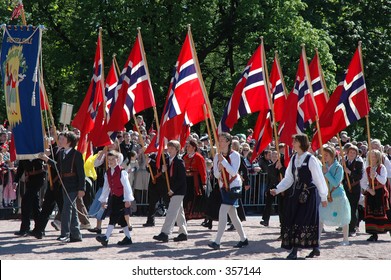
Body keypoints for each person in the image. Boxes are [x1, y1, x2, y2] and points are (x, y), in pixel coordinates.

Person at [271, 134, 328, 259]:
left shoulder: (311, 159)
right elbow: (289, 178)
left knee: (303, 221)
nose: (292, 143)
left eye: (295, 141)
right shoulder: (293, 158)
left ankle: (295, 251)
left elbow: (319, 179)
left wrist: (324, 197)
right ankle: (315, 247)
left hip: (309, 194)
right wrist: (277, 189)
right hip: (296, 194)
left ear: (301, 143)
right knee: (295, 220)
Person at [40, 131, 85, 243]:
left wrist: (81, 188)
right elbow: (58, 166)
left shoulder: (77, 154)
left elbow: (81, 173)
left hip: (74, 185)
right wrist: (47, 160)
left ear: (69, 142)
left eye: (62, 139)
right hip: (64, 184)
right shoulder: (61, 153)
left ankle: (65, 234)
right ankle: (76, 235)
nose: (60, 141)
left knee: (66, 209)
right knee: (72, 210)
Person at [208, 132, 248, 250]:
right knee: (233, 215)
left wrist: (224, 163)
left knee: (223, 211)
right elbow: (215, 174)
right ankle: (243, 239)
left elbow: (233, 172)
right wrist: (219, 169)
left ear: (228, 142)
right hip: (223, 186)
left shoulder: (235, 155)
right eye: (219, 140)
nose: (219, 142)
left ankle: (217, 241)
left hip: (234, 186)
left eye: (222, 140)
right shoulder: (216, 156)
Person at [95, 151, 134, 247]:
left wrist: (127, 199)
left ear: (118, 160)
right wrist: (103, 200)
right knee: (121, 219)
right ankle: (128, 238)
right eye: (109, 160)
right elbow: (106, 187)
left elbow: (127, 186)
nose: (111, 161)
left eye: (113, 159)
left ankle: (106, 237)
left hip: (122, 197)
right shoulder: (107, 172)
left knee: (113, 216)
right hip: (114, 197)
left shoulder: (122, 172)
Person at [153, 140, 188, 242]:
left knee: (171, 212)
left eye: (172, 148)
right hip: (172, 190)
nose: (170, 150)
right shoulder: (167, 161)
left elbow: (181, 179)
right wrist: (163, 171)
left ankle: (165, 233)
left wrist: (173, 190)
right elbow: (167, 177)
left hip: (178, 190)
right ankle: (183, 233)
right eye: (169, 148)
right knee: (179, 213)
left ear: (177, 150)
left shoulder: (179, 162)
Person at [319, 145, 351, 246]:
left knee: (344, 217)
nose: (324, 156)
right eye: (323, 154)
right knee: (320, 216)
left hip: (338, 195)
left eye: (326, 154)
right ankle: (317, 240)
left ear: (332, 155)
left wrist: (326, 173)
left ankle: (345, 239)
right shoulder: (322, 166)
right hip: (325, 196)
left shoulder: (339, 167)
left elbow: (336, 183)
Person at [360, 149, 391, 241]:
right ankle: (374, 234)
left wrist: (376, 175)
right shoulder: (367, 169)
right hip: (371, 193)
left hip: (381, 193)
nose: (372, 158)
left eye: (374, 156)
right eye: (371, 156)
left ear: (378, 158)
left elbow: (383, 181)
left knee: (386, 212)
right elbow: (363, 182)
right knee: (371, 213)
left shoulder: (382, 168)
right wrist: (369, 189)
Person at [13, 158, 46, 237]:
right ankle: (39, 229)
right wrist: (16, 181)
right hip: (29, 179)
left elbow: (42, 161)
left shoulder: (37, 150)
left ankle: (25, 228)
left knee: (25, 201)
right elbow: (21, 168)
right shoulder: (24, 153)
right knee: (35, 205)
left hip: (38, 178)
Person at [142, 152, 169, 227]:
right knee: (152, 203)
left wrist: (151, 161)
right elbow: (149, 169)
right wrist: (147, 165)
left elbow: (160, 166)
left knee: (167, 202)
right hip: (153, 182)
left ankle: (174, 220)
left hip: (163, 182)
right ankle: (150, 221)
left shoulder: (165, 156)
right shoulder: (152, 156)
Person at [342, 145, 363, 236]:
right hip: (346, 187)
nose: (352, 154)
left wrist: (350, 172)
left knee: (353, 208)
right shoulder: (344, 162)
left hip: (354, 188)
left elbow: (359, 176)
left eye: (354, 153)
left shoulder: (358, 163)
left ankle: (352, 228)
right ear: (347, 153)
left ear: (356, 154)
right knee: (346, 207)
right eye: (350, 152)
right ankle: (346, 227)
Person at [183, 139, 207, 220]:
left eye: (189, 146)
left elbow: (202, 170)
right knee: (186, 197)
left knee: (197, 197)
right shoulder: (185, 157)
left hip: (196, 181)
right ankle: (185, 215)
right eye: (187, 146)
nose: (187, 148)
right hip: (187, 180)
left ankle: (206, 217)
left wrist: (204, 183)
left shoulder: (198, 157)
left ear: (193, 147)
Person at [260, 150, 285, 227]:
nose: (274, 157)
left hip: (279, 186)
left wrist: (280, 168)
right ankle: (266, 220)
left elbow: (284, 174)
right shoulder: (270, 166)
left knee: (281, 205)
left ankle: (282, 222)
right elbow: (268, 179)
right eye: (273, 156)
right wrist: (267, 189)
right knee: (268, 204)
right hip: (271, 186)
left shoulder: (281, 165)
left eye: (275, 155)